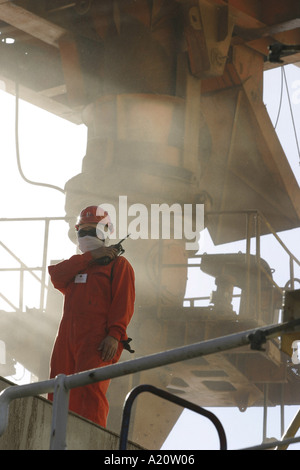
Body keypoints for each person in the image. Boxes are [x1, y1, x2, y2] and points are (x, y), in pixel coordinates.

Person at [48, 205, 135, 427]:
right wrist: (90, 257)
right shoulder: (77, 266)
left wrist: (115, 335)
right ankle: (55, 437)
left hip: (98, 340)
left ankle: (91, 439)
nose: (86, 236)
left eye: (93, 231)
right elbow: (56, 276)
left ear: (106, 232)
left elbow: (123, 303)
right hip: (66, 339)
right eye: (82, 231)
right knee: (57, 389)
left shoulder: (119, 265)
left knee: (90, 390)